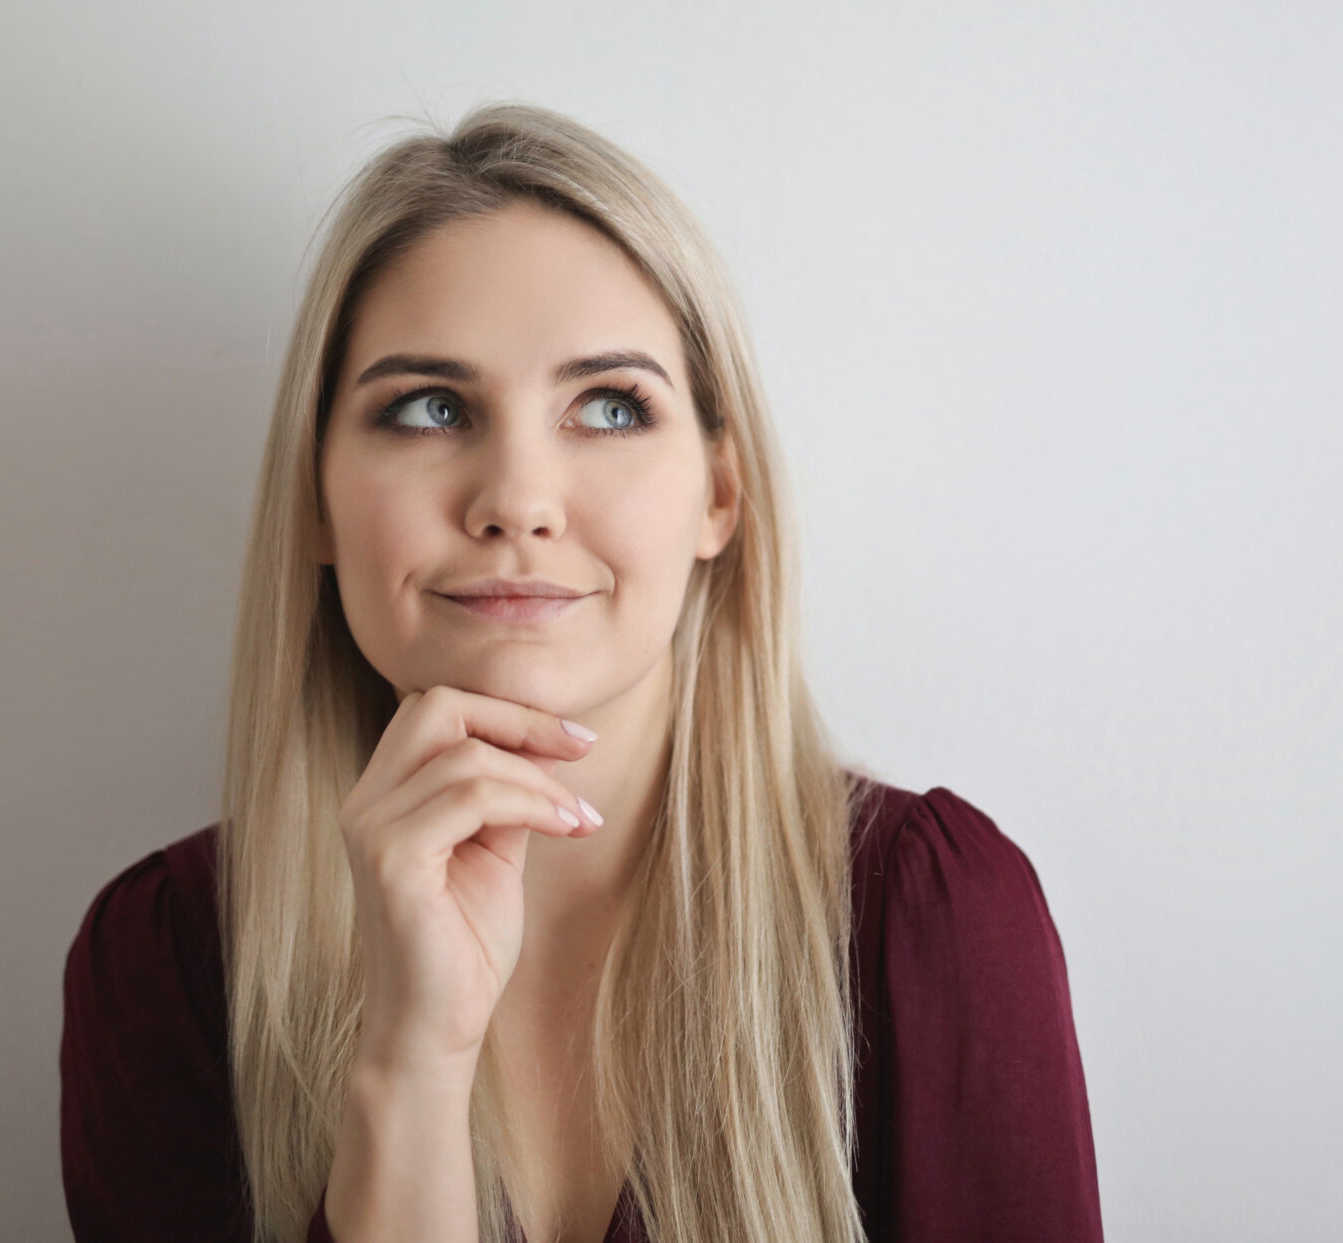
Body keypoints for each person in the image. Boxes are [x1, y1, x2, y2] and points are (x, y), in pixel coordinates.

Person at [58, 101, 1102, 1243]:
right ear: (315, 498)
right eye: (429, 409)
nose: (516, 499)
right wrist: (409, 1071)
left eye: (609, 407)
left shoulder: (931, 917)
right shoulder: (166, 962)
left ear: (719, 495)